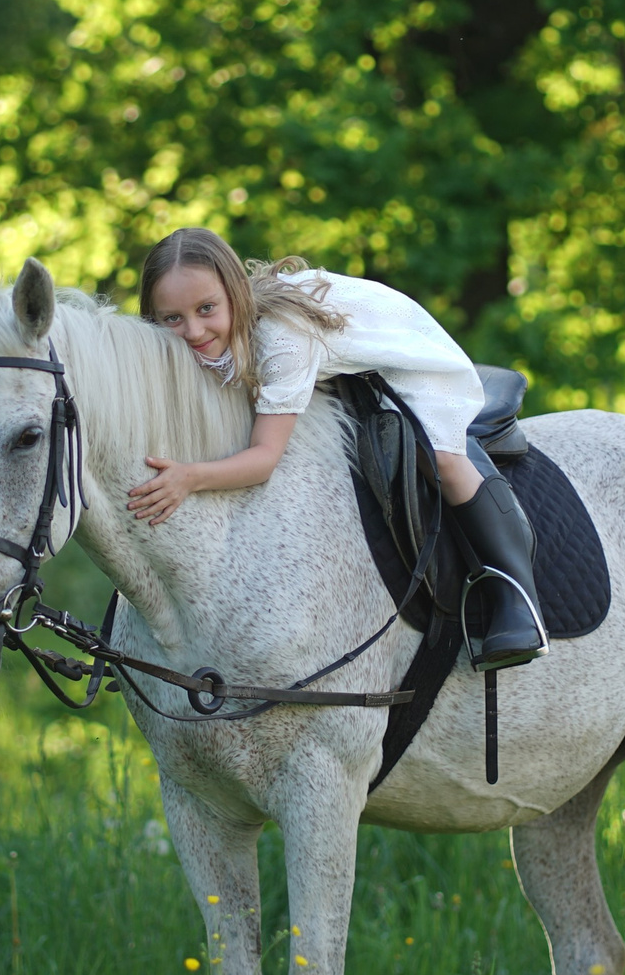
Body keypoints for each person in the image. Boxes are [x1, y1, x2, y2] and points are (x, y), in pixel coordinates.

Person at [125, 226, 546, 671]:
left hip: (400, 352)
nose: (192, 330)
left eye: (206, 308)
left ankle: (517, 594)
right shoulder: (201, 336)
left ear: (233, 294)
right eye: (172, 318)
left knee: (441, 455)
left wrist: (191, 476)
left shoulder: (281, 339)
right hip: (336, 347)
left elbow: (265, 459)